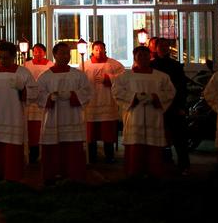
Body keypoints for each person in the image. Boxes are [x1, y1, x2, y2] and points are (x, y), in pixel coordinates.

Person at [0, 41, 37, 182]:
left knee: (12, 150)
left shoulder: (23, 72)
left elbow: (34, 92)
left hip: (14, 116)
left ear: (13, 57)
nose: (2, 61)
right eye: (0, 57)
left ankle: (13, 177)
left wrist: (23, 89)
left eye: (6, 58)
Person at [112, 46, 175, 177]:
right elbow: (116, 91)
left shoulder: (161, 77)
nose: (143, 58)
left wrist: (154, 97)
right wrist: (134, 96)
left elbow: (170, 92)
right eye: (140, 55)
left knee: (153, 143)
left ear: (150, 57)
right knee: (135, 143)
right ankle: (134, 172)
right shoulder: (125, 76)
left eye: (145, 55)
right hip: (135, 114)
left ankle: (154, 172)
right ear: (135, 57)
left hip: (153, 115)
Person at [36, 42, 93, 184]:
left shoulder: (78, 75)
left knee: (72, 147)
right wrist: (50, 97)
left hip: (72, 116)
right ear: (55, 54)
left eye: (67, 53)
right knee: (52, 145)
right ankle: (52, 176)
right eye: (62, 53)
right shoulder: (45, 76)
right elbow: (38, 95)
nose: (65, 56)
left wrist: (73, 95)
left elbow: (87, 92)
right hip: (53, 117)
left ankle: (74, 175)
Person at [151, 37, 191, 174]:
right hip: (156, 106)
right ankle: (162, 162)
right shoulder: (151, 66)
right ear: (155, 48)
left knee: (179, 137)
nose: (163, 48)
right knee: (158, 136)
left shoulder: (175, 66)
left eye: (165, 45)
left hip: (174, 105)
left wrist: (181, 106)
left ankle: (184, 165)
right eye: (160, 46)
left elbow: (181, 87)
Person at [82, 41, 125, 164]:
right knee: (91, 133)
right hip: (91, 103)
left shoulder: (114, 64)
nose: (99, 51)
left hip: (107, 101)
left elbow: (122, 79)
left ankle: (109, 155)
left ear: (105, 49)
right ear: (92, 50)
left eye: (101, 49)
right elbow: (79, 81)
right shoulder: (85, 66)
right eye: (96, 49)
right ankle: (92, 156)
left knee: (108, 132)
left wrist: (108, 78)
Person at [22, 43, 52, 164]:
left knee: (43, 126)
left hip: (43, 101)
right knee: (31, 128)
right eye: (35, 51)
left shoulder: (50, 66)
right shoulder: (26, 65)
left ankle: (44, 152)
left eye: (40, 51)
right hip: (30, 103)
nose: (37, 53)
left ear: (44, 53)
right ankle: (31, 151)